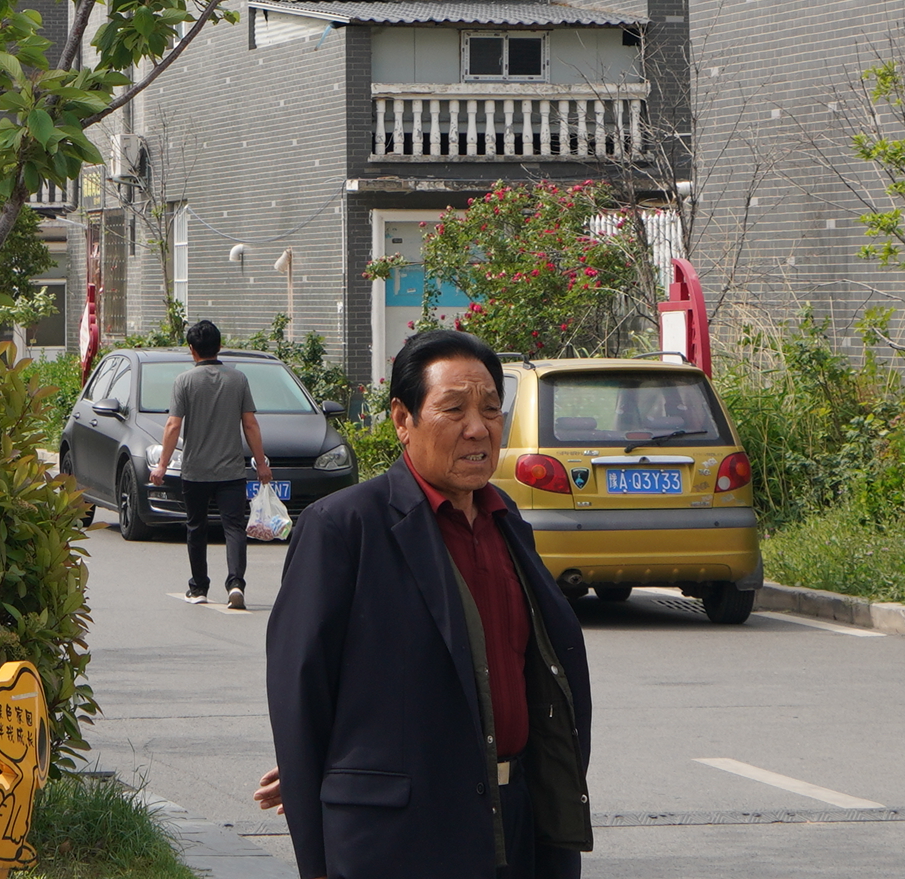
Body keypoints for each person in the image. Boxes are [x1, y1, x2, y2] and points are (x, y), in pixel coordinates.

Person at [260, 326, 592, 879]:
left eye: (490, 409)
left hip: (518, 822)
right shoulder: (345, 528)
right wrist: (317, 792)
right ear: (402, 420)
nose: (477, 428)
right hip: (396, 841)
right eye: (453, 408)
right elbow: (302, 693)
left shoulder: (506, 522)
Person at [148, 320, 275, 612]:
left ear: (192, 350)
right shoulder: (238, 379)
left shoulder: (184, 381)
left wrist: (162, 465)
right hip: (231, 471)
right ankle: (236, 584)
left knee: (196, 527)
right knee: (233, 527)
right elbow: (250, 424)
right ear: (219, 346)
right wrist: (260, 463)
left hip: (195, 470)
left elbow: (172, 425)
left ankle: (199, 587)